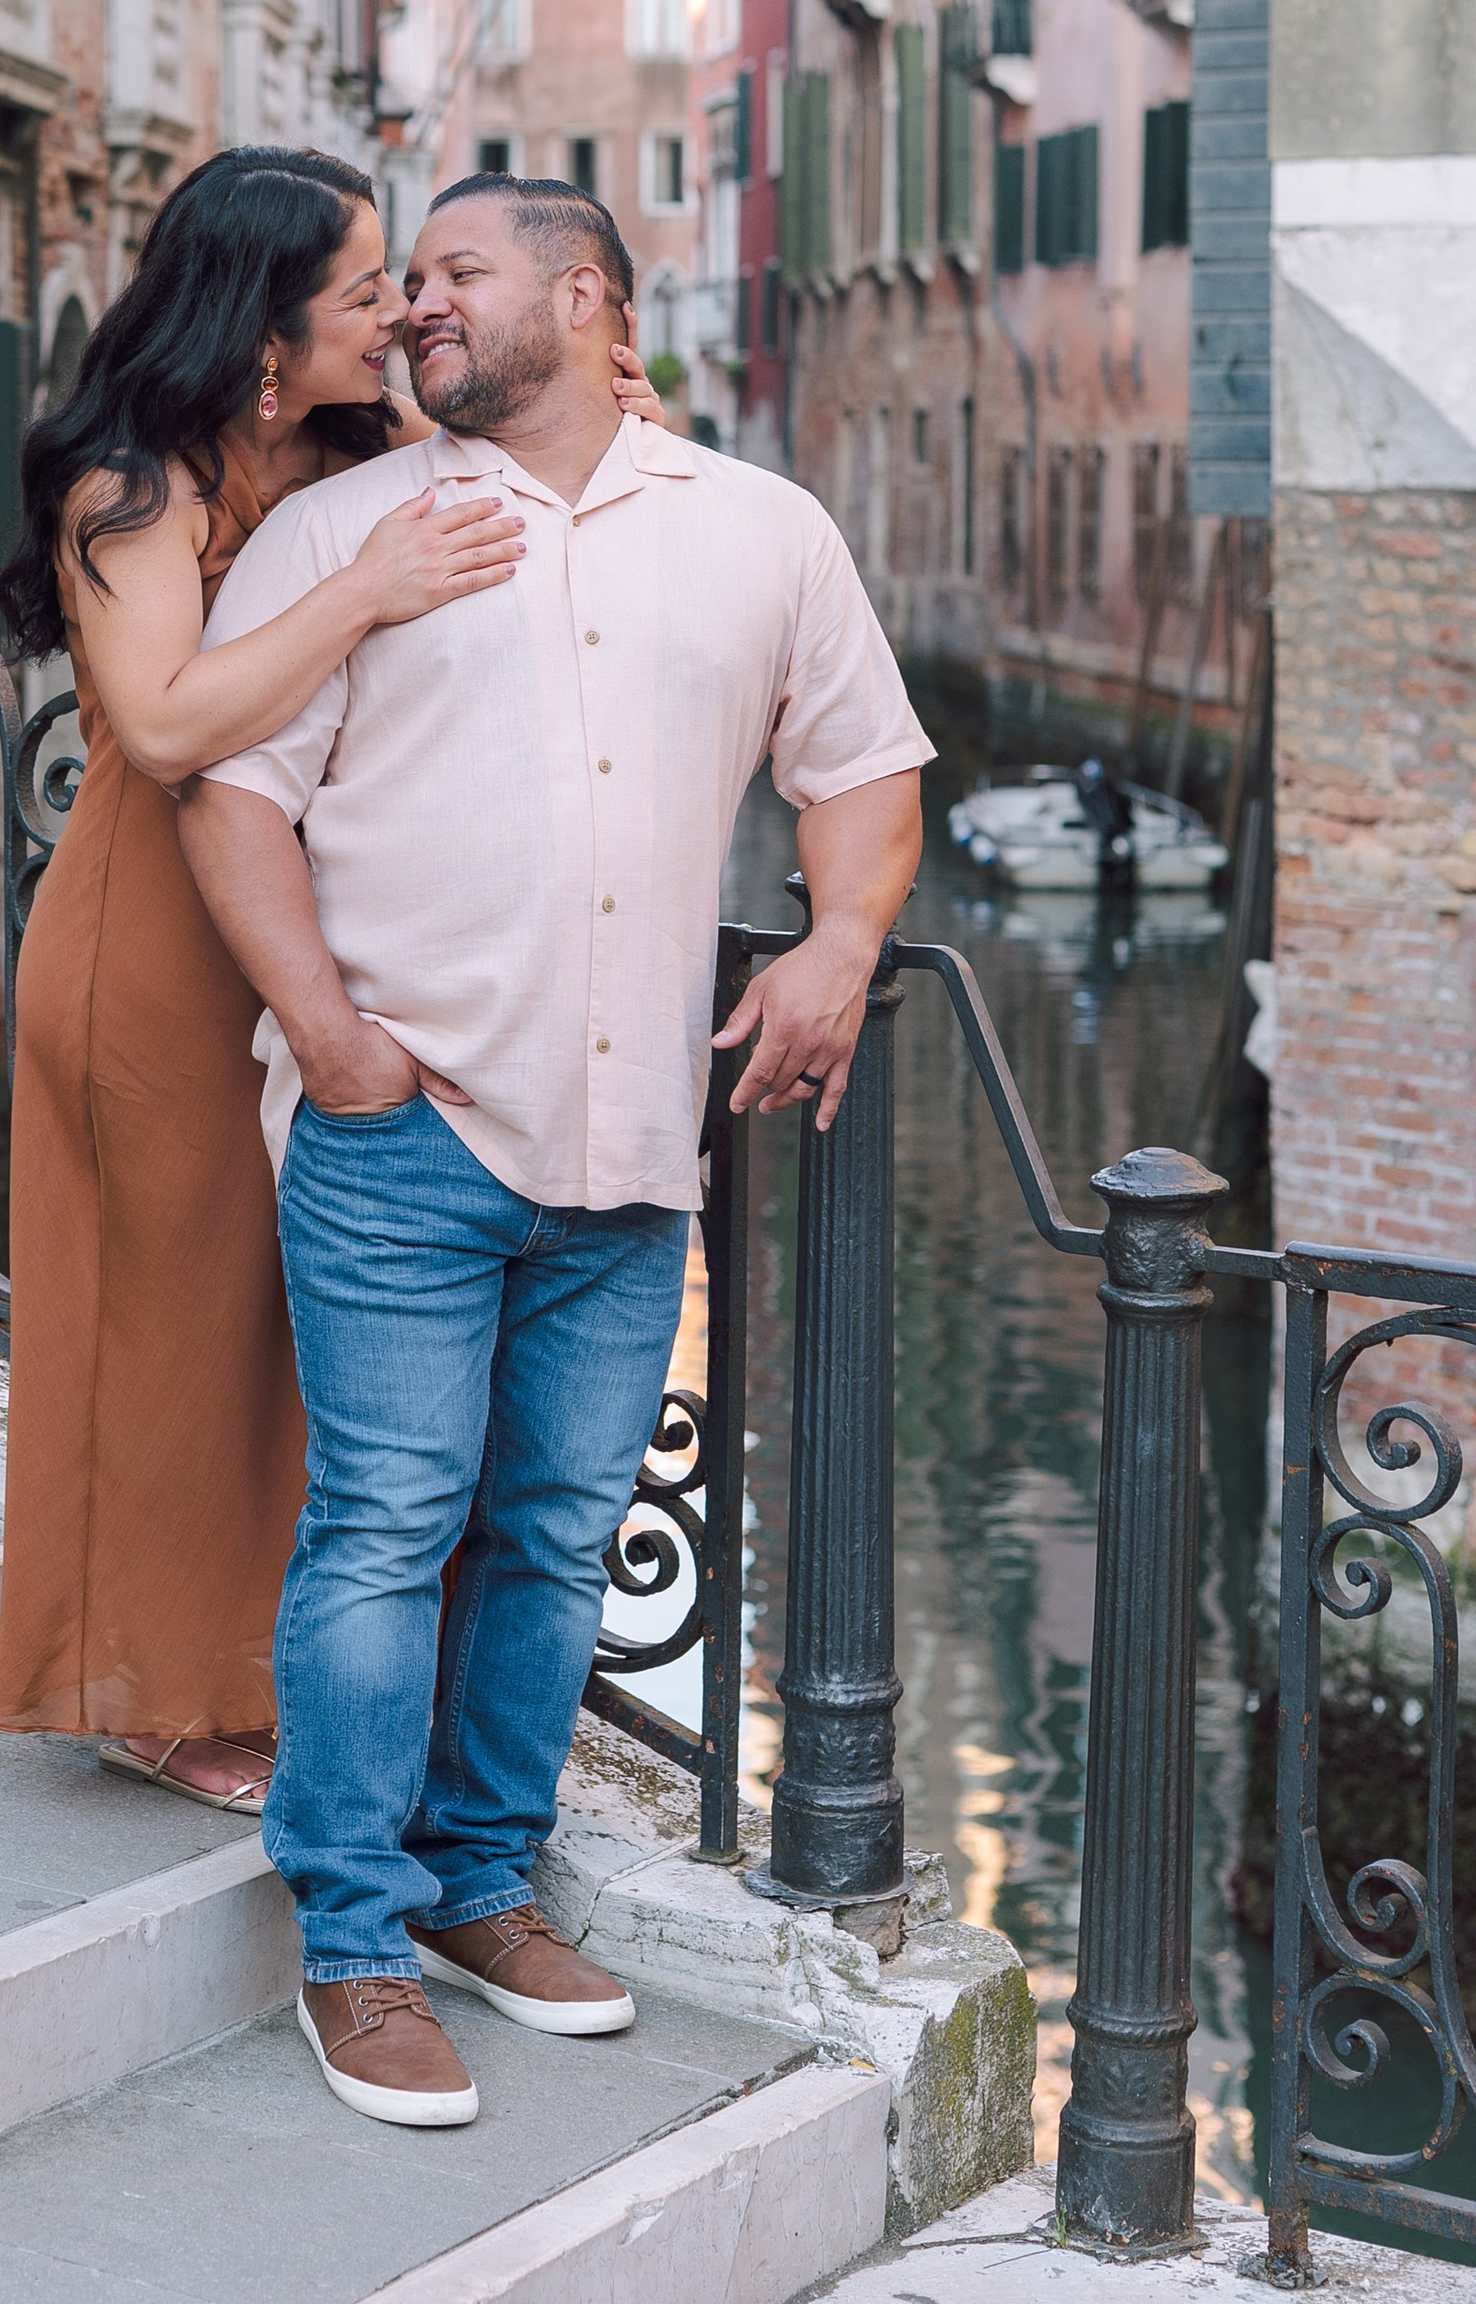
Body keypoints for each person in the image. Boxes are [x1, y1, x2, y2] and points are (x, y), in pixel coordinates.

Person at [178, 171, 932, 2128]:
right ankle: (348, 1936)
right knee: (384, 1525)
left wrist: (838, 940)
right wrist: (333, 1043)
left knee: (551, 1535)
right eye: (399, 280)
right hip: (402, 1134)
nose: (410, 306)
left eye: (450, 273)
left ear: (586, 296)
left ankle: (475, 1887)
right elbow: (229, 802)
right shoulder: (343, 533)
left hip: (629, 1152)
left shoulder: (760, 531)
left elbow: (858, 772)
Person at [0, 145, 664, 1810]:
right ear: (266, 319)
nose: (402, 312)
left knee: (297, 1340)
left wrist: (608, 390)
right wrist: (362, 588)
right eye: (368, 288)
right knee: (175, 1321)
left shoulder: (365, 453)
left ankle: (281, 1670)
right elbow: (162, 727)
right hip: (152, 942)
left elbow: (546, 478)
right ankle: (146, 1689)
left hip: (320, 927)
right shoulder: (129, 486)